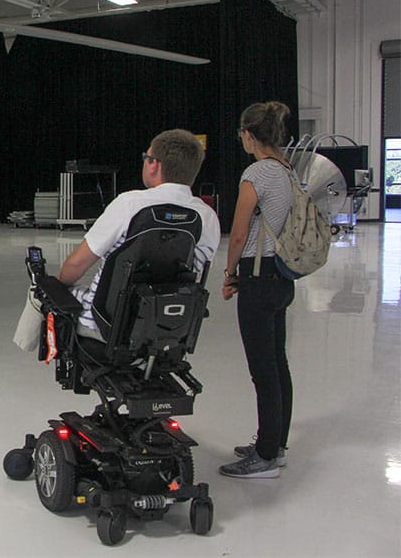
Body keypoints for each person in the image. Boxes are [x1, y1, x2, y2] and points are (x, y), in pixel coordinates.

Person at [56, 129, 221, 344]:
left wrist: (55, 286)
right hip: (166, 326)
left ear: (154, 164)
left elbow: (76, 264)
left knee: (42, 294)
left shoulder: (130, 204)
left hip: (106, 325)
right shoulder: (207, 217)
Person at [218, 101, 296, 479]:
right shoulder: (287, 169)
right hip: (281, 277)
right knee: (277, 365)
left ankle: (264, 457)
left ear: (250, 135)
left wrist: (230, 270)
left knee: (262, 370)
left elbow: (238, 231)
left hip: (257, 275)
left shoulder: (256, 173)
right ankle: (275, 446)